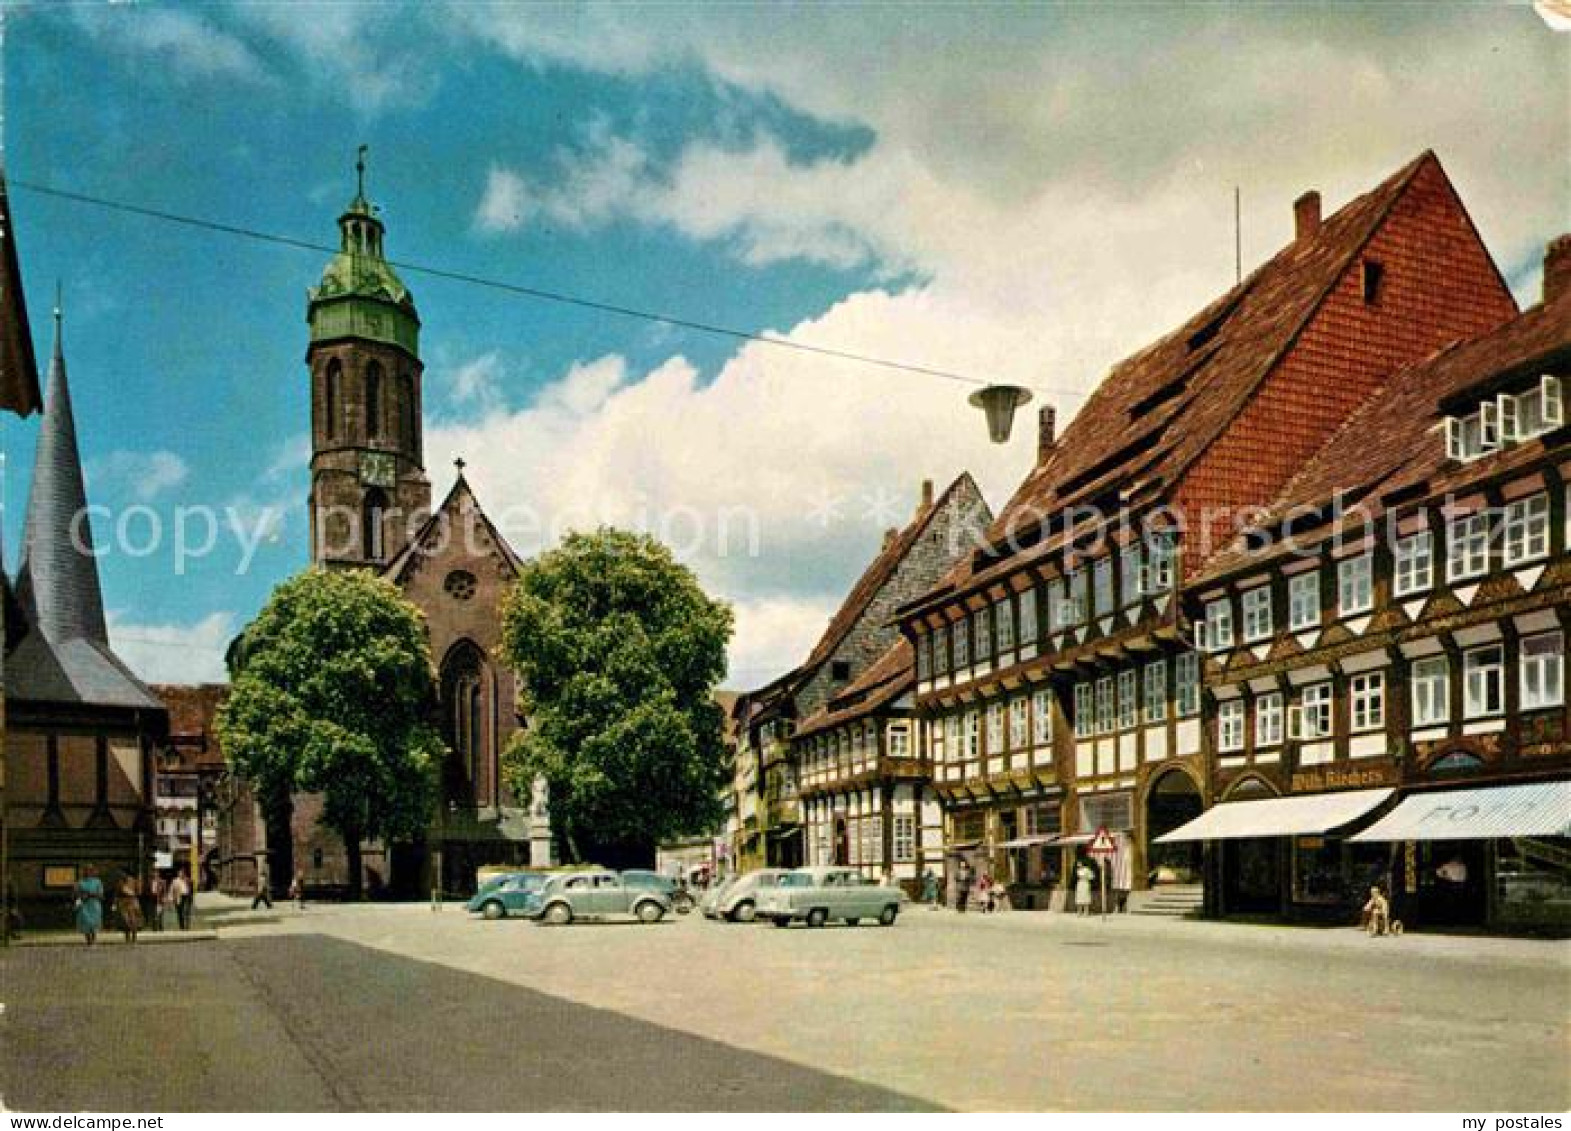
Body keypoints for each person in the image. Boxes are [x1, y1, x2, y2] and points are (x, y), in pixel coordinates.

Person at [74, 865, 104, 945]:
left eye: (90, 870)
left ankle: (94, 938)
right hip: (85, 904)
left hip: (94, 904)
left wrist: (92, 894)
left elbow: (100, 894)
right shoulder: (80, 882)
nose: (88, 872)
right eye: (86, 870)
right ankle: (88, 939)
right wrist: (81, 896)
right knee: (85, 921)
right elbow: (77, 893)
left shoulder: (98, 881)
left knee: (94, 922)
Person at [115, 874, 142, 943]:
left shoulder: (135, 882)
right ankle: (127, 937)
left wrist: (138, 885)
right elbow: (117, 894)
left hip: (132, 903)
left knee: (133, 920)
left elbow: (139, 892)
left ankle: (134, 938)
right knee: (125, 921)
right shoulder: (120, 883)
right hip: (123, 903)